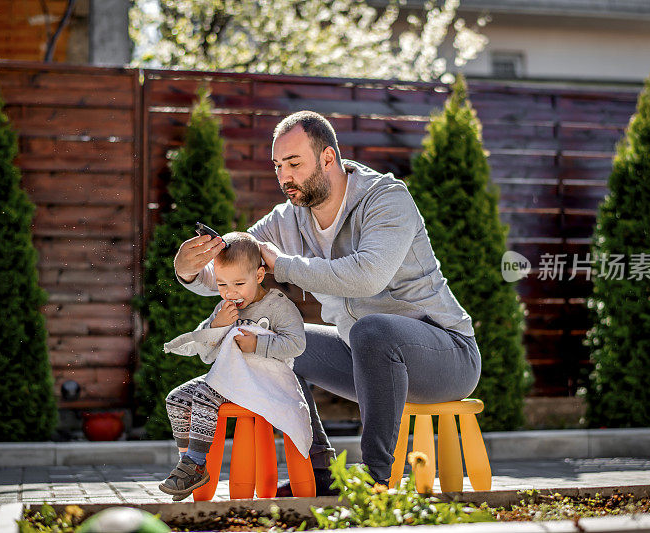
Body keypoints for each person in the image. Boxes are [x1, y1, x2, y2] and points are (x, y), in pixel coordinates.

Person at [174, 111, 481, 495]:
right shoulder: (289, 219)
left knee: (374, 328)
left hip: (447, 355)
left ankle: (376, 480)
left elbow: (368, 276)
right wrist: (189, 270)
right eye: (277, 166)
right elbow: (238, 273)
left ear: (328, 158)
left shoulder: (385, 199)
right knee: (279, 342)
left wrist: (283, 264)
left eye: (294, 163)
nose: (284, 177)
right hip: (364, 355)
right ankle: (321, 474)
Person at [160, 232, 307, 501]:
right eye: (222, 284)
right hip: (231, 377)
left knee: (206, 394)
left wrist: (257, 346)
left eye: (239, 283)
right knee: (177, 398)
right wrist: (216, 327)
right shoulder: (224, 307)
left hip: (265, 380)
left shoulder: (278, 307)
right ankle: (190, 464)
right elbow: (206, 355)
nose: (231, 292)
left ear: (259, 275)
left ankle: (194, 461)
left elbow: (297, 344)